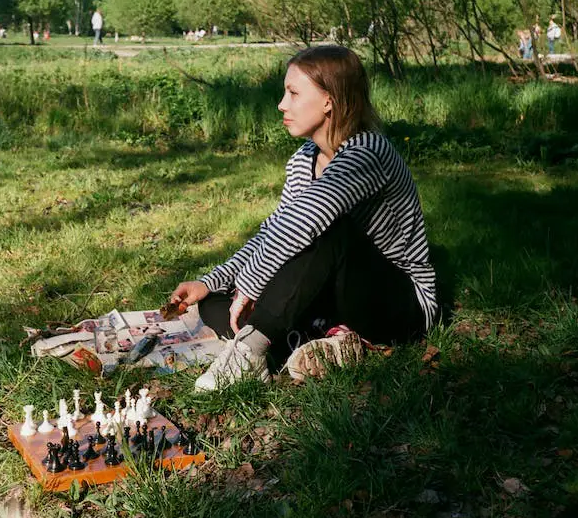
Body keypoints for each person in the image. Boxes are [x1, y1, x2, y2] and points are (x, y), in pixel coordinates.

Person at [169, 46, 438, 391]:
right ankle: (327, 343)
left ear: (329, 100)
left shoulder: (369, 152)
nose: (282, 104)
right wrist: (212, 281)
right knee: (215, 305)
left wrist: (251, 287)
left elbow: (305, 224)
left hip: (397, 303)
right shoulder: (303, 160)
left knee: (327, 227)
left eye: (294, 93)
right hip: (332, 294)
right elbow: (276, 230)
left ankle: (252, 353)